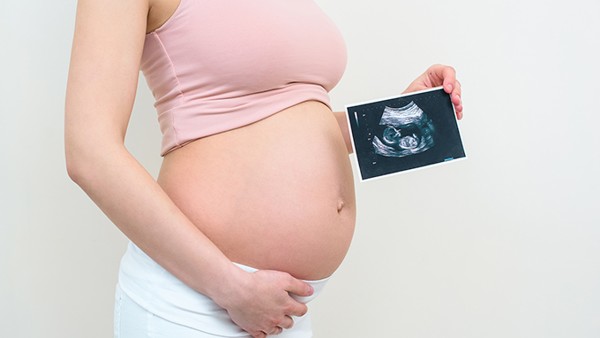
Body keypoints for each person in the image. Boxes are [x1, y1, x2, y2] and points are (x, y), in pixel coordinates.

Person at [64, 0, 463, 337]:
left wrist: (398, 116)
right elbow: (89, 152)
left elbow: (292, 121)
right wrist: (229, 286)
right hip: (196, 301)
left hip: (279, 309)